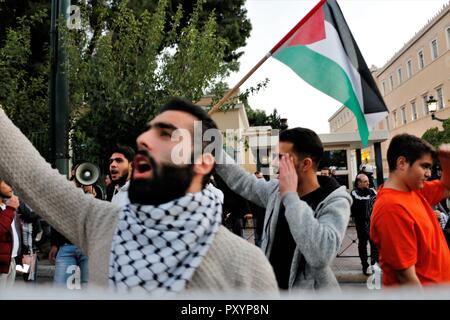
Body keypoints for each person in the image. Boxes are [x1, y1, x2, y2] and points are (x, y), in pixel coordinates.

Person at [0, 98, 277, 295]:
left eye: (166, 134)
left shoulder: (246, 266)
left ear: (202, 163)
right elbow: (32, 174)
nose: (144, 140)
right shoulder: (100, 223)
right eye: (147, 133)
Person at [215, 127, 352, 291]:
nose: (274, 164)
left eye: (281, 158)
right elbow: (242, 180)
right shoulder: (275, 191)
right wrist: (212, 149)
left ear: (305, 164)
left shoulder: (335, 202)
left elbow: (320, 255)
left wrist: (291, 196)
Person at [370, 134, 450, 287]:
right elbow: (407, 280)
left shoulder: (414, 189)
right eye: (424, 166)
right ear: (402, 163)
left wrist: (447, 164)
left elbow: (446, 188)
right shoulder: (391, 209)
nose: (428, 173)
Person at [350, 173, 378, 275]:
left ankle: (374, 264)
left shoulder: (372, 191)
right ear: (359, 183)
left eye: (368, 181)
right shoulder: (354, 193)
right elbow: (363, 203)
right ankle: (365, 266)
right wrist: (372, 201)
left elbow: (377, 200)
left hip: (373, 222)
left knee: (374, 244)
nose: (368, 183)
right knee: (363, 245)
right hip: (361, 223)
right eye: (365, 181)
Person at [0, 179, 20, 288]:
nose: (11, 186)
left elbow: (15, 234)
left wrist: (22, 255)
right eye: (6, 182)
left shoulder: (7, 207)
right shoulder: (9, 208)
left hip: (11, 261)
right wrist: (10, 208)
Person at [248, 171, 266, 247]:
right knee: (257, 235)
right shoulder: (251, 190)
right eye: (257, 178)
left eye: (260, 178)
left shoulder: (267, 189)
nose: (259, 180)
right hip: (256, 215)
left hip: (265, 215)